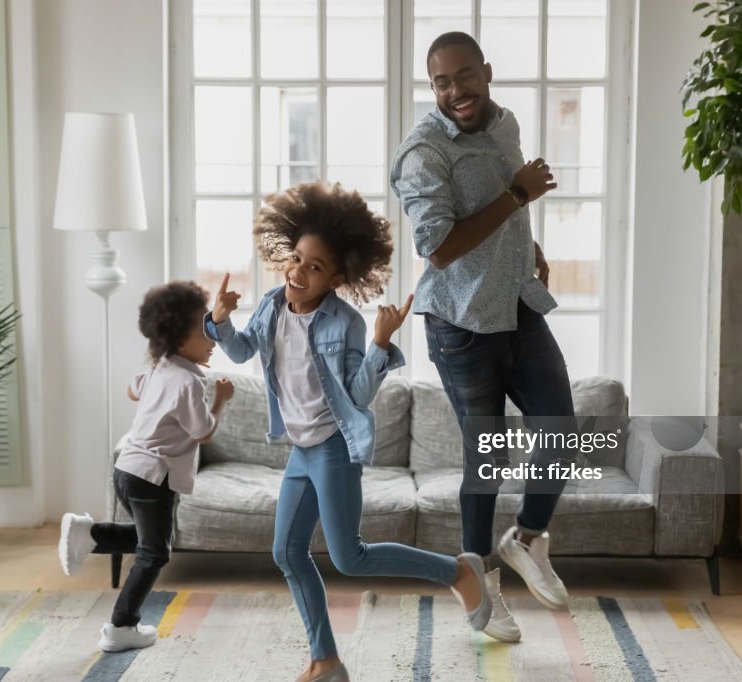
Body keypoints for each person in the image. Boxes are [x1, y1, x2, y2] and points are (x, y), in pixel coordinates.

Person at [205, 181, 491, 682]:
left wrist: (381, 344)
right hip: (300, 449)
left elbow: (357, 396)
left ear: (339, 276)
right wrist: (220, 320)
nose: (298, 272)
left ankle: (459, 573)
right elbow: (242, 351)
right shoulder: (273, 305)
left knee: (350, 558)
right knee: (287, 552)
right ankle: (326, 660)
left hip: (334, 448)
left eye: (315, 267)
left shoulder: (346, 324)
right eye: (296, 259)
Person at [390, 31, 577, 643]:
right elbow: (440, 247)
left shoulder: (505, 124)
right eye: (442, 82)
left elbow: (505, 210)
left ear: (487, 72)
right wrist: (519, 192)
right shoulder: (422, 153)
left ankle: (524, 540)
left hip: (518, 306)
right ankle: (479, 588)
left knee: (562, 430)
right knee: (488, 454)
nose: (455, 92)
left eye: (464, 76)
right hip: (462, 323)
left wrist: (531, 245)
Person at [57, 281, 235, 652]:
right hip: (153, 478)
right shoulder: (188, 381)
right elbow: (202, 432)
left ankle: (89, 535)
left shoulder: (161, 366)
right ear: (179, 338)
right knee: (156, 553)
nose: (212, 337)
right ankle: (120, 627)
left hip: (128, 471)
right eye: (205, 329)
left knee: (148, 541)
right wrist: (220, 400)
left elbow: (131, 389)